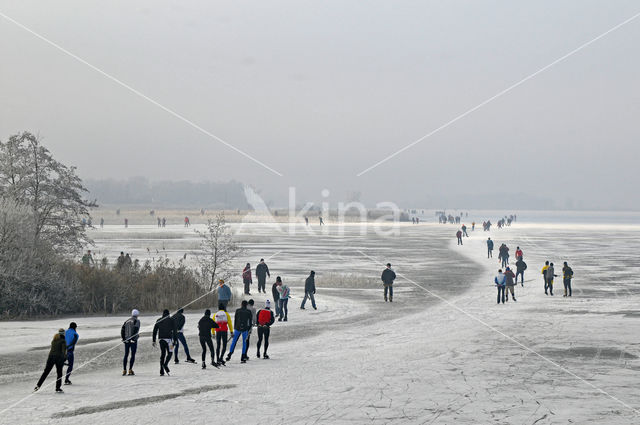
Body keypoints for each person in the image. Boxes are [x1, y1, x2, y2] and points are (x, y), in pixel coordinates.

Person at [34, 328, 67, 393]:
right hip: (58, 358)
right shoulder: (63, 341)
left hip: (50, 357)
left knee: (45, 372)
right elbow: (63, 352)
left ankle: (38, 386)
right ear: (64, 333)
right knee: (59, 373)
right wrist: (65, 359)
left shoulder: (54, 340)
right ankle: (58, 388)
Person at [152, 309, 178, 376]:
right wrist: (175, 340)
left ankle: (161, 371)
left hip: (161, 340)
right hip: (169, 340)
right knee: (170, 352)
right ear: (168, 314)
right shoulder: (172, 320)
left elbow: (154, 331)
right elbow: (175, 331)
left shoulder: (159, 320)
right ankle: (165, 364)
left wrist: (154, 340)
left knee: (162, 354)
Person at [121, 309, 140, 376]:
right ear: (137, 315)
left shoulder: (126, 321)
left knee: (126, 354)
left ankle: (124, 370)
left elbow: (122, 330)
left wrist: (123, 338)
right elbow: (136, 330)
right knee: (133, 355)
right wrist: (133, 338)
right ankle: (130, 369)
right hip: (133, 341)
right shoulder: (137, 321)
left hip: (126, 340)